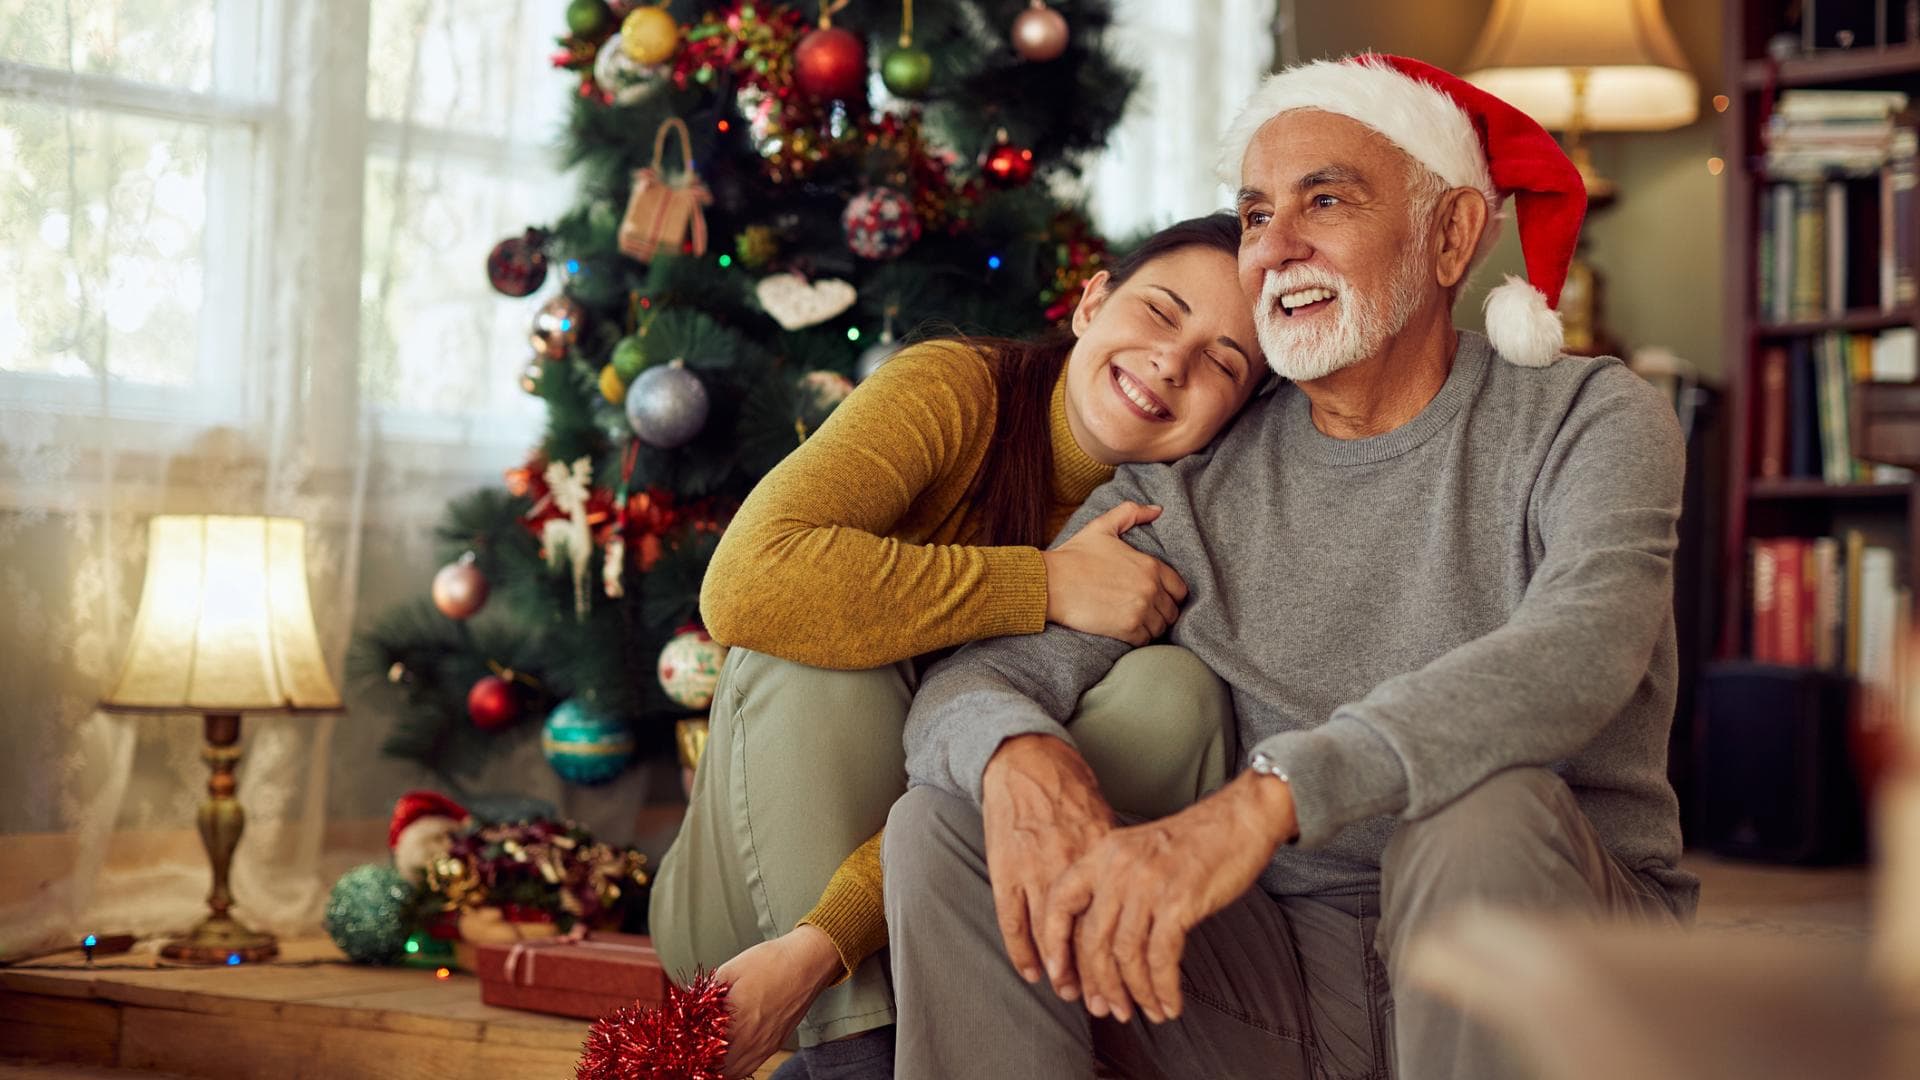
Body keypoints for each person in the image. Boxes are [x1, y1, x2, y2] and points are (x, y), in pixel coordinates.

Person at [886, 54, 1697, 1080]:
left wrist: (1271, 798)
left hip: (1548, 960)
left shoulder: (1589, 416)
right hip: (1279, 985)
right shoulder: (1197, 479)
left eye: (1327, 199)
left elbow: (1582, 650)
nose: (1276, 248)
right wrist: (1018, 761)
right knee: (948, 822)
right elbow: (973, 680)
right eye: (1257, 213)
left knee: (1484, 813)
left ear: (1450, 235)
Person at [648, 213, 1267, 1080]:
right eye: (1161, 314)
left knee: (1176, 693)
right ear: (1092, 301)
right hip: (749, 933)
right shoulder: (957, 388)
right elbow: (744, 583)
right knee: (811, 645)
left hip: (963, 941)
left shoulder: (1190, 521)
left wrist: (836, 936)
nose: (1174, 363)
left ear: (1238, 415)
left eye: (1224, 363)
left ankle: (893, 1039)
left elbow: (964, 796)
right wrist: (1043, 584)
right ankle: (858, 1054)